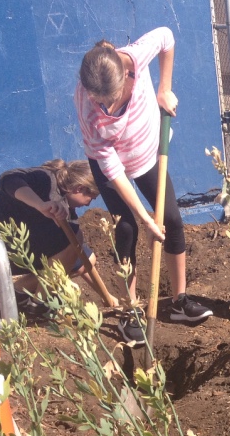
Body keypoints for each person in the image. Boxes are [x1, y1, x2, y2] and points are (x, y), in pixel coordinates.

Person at [75, 27, 212, 345]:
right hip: (111, 166)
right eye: (100, 101)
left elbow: (166, 37)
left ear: (124, 73)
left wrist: (164, 88)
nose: (106, 108)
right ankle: (130, 313)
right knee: (127, 229)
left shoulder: (136, 55)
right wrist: (144, 216)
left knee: (174, 220)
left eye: (110, 99)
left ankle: (179, 301)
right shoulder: (87, 108)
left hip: (147, 154)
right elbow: (112, 169)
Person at [0, 159, 113, 315]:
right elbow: (9, 179)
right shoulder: (45, 179)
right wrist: (39, 204)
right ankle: (39, 304)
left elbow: (81, 259)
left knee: (86, 258)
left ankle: (17, 293)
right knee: (75, 238)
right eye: (92, 197)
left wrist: (107, 296)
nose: (89, 204)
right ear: (80, 188)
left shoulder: (65, 207)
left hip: (10, 248)